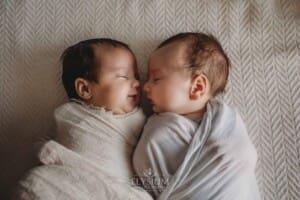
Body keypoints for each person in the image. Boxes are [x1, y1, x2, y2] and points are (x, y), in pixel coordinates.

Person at [14, 39, 152, 200]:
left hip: (112, 188)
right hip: (66, 181)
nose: (136, 83)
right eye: (123, 76)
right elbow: (51, 146)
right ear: (85, 89)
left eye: (135, 76)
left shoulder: (138, 119)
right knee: (38, 180)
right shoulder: (66, 114)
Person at [133, 32, 260, 200]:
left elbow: (238, 156)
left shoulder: (226, 122)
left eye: (156, 79)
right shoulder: (158, 125)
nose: (145, 87)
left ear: (197, 87)